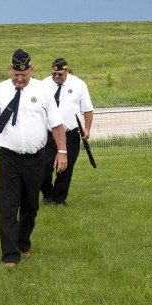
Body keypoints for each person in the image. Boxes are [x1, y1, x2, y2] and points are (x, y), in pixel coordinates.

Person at [0, 49, 67, 267]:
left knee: (31, 206)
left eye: (25, 74)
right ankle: (9, 255)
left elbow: (57, 125)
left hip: (36, 158)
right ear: (10, 69)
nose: (20, 79)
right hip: (9, 157)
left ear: (32, 69)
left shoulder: (43, 91)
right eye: (16, 74)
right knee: (8, 206)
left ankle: (23, 244)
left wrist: (62, 151)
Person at [40, 58, 94, 206]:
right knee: (44, 167)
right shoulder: (42, 85)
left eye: (60, 74)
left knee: (65, 168)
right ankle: (47, 193)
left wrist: (87, 128)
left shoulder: (78, 84)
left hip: (70, 133)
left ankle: (59, 200)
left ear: (67, 71)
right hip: (48, 134)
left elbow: (88, 109)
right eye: (54, 74)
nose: (56, 77)